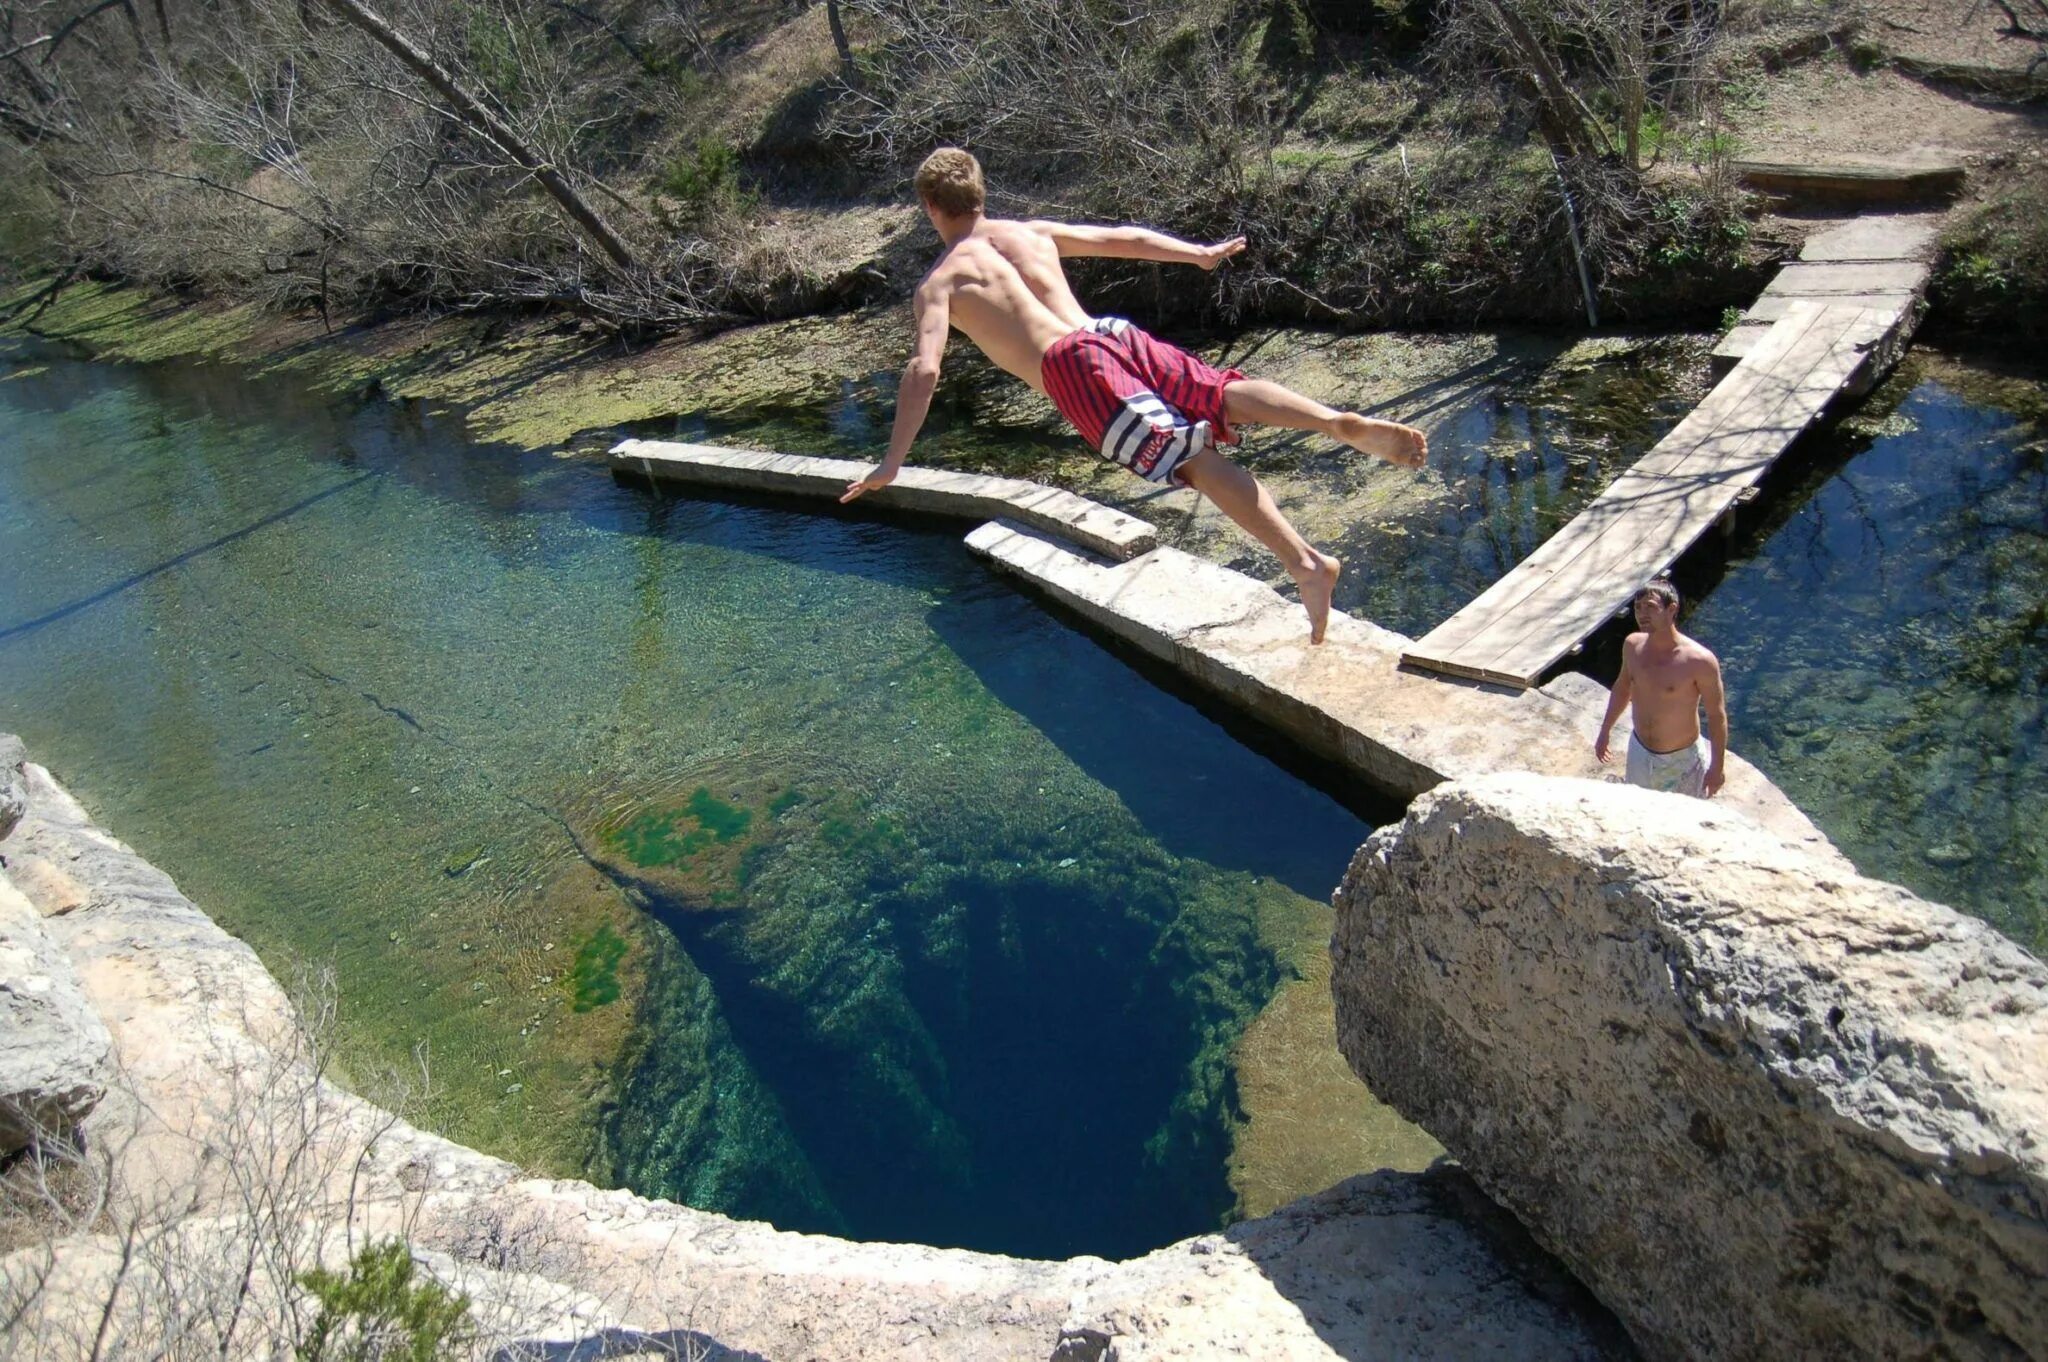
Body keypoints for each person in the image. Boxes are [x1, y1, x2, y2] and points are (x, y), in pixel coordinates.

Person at [841, 147, 1428, 645]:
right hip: (1108, 332)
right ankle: (1331, 421)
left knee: (1191, 460)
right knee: (1220, 393)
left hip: (1070, 367)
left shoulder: (941, 282)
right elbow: (1123, 238)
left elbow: (924, 369)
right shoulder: (1030, 234)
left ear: (929, 207)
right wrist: (1196, 254)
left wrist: (892, 463)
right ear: (979, 193)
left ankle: (1306, 564)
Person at [1595, 577, 1729, 797]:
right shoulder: (1632, 645)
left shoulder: (1700, 660)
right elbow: (1622, 688)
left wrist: (1718, 767)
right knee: (1638, 813)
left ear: (1671, 609)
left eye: (1651, 607)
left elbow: (1717, 715)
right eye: (1637, 607)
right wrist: (1605, 730)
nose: (1642, 614)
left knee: (1680, 823)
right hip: (1639, 751)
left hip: (1681, 759)